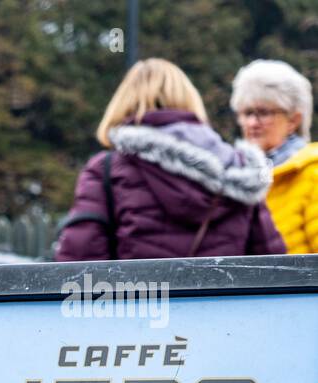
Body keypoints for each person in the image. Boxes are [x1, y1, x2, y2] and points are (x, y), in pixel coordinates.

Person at [57, 58, 284, 261]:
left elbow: (80, 260)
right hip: (224, 307)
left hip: (141, 306)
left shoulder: (106, 170)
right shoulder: (239, 168)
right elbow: (274, 267)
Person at [232, 59, 318, 253]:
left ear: (293, 120)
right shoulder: (234, 175)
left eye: (263, 113)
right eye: (247, 113)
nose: (253, 123)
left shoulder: (312, 173)